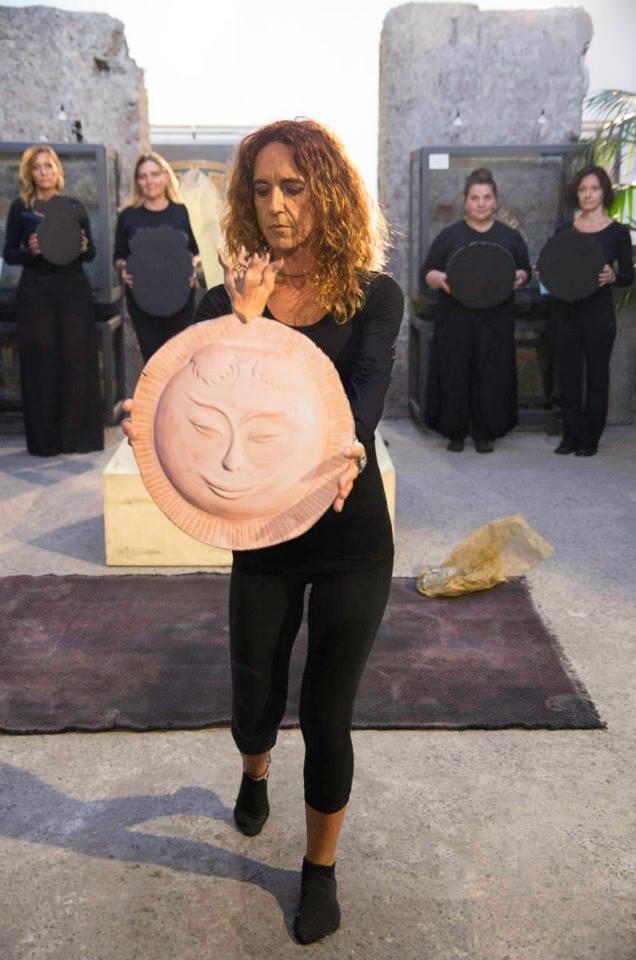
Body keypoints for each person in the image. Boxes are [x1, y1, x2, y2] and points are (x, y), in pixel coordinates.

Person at [122, 118, 403, 944]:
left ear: (330, 192)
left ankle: (319, 871)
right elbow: (196, 398)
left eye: (296, 187)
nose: (278, 205)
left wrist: (350, 444)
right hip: (263, 535)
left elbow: (361, 399)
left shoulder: (373, 294)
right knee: (255, 693)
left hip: (350, 530)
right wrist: (235, 329)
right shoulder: (226, 301)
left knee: (327, 712)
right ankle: (253, 771)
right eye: (263, 188)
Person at [420, 168, 531, 452]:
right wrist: (440, 279)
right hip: (455, 318)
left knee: (492, 374)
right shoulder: (449, 236)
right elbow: (427, 273)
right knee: (454, 372)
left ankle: (486, 433)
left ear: (495, 201)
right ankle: (454, 432)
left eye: (487, 197)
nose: (481, 203)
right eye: (475, 197)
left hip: (495, 319)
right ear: (465, 201)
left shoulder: (510, 237)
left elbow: (524, 270)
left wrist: (520, 276)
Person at [3, 144, 103, 456]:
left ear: (57, 170)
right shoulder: (20, 207)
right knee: (41, 363)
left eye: (48, 165)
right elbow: (9, 253)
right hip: (36, 292)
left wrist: (83, 247)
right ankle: (45, 442)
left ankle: (78, 438)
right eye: (37, 167)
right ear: (29, 173)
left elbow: (91, 252)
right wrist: (30, 251)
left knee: (77, 361)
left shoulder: (74, 206)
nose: (44, 172)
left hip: (73, 290)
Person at [547, 165, 634, 456]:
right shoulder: (564, 231)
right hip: (565, 312)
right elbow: (554, 269)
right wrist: (545, 274)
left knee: (597, 376)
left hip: (598, 314)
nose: (588, 194)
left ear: (604, 192)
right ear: (576, 194)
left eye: (594, 188)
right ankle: (569, 436)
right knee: (568, 376)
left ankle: (590, 438)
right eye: (582, 189)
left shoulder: (618, 233)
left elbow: (628, 277)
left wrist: (613, 276)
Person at [114, 151, 200, 362]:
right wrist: (124, 268)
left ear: (166, 176)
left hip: (181, 297)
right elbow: (118, 256)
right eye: (143, 176)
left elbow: (198, 252)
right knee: (154, 362)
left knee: (181, 362)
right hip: (143, 299)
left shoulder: (182, 212)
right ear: (137, 182)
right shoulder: (128, 215)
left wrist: (193, 266)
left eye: (155, 174)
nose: (149, 181)